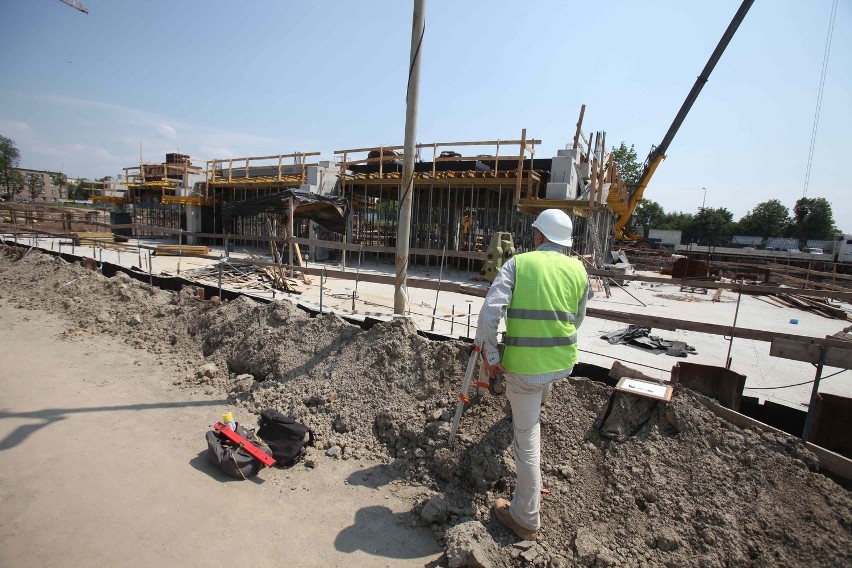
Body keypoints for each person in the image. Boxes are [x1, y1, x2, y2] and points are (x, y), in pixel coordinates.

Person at [474, 208, 589, 541]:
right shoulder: (579, 270)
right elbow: (577, 318)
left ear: (539, 236)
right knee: (535, 402)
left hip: (524, 367)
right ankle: (532, 480)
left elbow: (488, 316)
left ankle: (525, 517)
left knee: (526, 439)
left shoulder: (518, 264)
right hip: (561, 362)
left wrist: (492, 356)